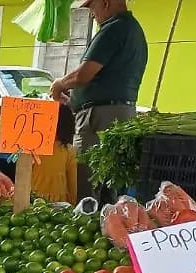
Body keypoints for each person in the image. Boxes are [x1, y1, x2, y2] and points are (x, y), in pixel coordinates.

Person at [49, 0, 147, 199]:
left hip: (100, 116)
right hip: (120, 112)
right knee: (110, 181)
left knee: (85, 178)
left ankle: (85, 222)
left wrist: (59, 84)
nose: (92, 15)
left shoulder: (112, 29)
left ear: (106, 3)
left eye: (92, 8)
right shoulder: (134, 29)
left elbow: (83, 75)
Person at [31, 104, 78, 204]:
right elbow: (72, 183)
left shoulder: (33, 148)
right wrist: (73, 203)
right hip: (59, 203)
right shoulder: (69, 150)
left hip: (34, 201)